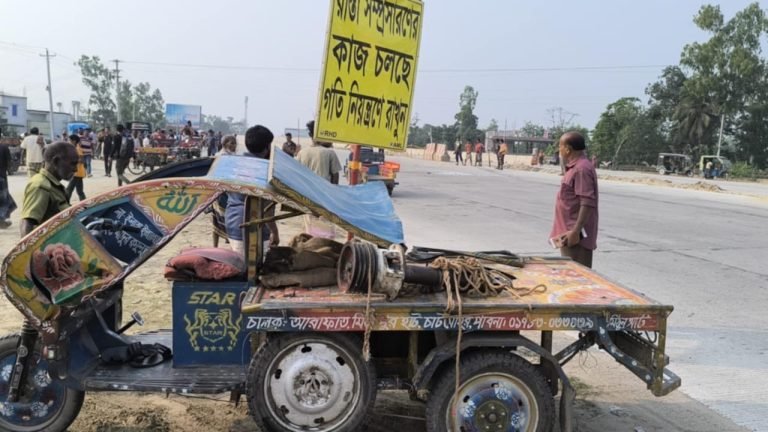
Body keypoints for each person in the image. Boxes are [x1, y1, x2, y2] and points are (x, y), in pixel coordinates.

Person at [224, 125, 279, 255]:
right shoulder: (266, 171)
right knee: (254, 269)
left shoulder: (233, 163)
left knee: (239, 265)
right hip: (254, 226)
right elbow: (268, 210)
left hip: (232, 222)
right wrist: (275, 233)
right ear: (267, 147)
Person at [550, 131, 599, 268]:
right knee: (569, 273)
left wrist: (576, 231)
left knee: (577, 275)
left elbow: (587, 202)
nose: (558, 149)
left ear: (568, 149)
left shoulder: (581, 169)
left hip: (575, 235)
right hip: (568, 231)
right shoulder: (575, 167)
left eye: (560, 145)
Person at [20, 141, 79, 236]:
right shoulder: (41, 186)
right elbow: (27, 224)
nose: (76, 169)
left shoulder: (54, 185)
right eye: (73, 164)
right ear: (56, 162)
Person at [65, 134, 86, 201]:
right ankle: (84, 204)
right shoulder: (74, 148)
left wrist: (72, 160)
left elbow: (82, 160)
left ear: (74, 141)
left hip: (76, 172)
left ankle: (66, 204)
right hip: (77, 173)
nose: (68, 141)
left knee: (69, 189)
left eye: (69, 140)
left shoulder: (77, 149)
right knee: (79, 191)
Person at [0, 137, 16, 228]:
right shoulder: (4, 147)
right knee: (4, 201)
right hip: (1, 177)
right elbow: (9, 161)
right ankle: (1, 219)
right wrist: (10, 171)